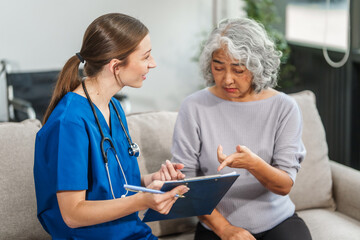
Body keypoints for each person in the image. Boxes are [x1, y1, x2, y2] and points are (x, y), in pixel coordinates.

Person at [33, 13, 189, 240]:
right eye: (146, 57)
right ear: (116, 65)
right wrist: (143, 200)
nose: (152, 63)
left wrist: (153, 183)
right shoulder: (69, 123)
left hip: (133, 233)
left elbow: (115, 185)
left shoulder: (114, 108)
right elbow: (72, 214)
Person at [171, 18, 312, 240]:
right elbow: (186, 184)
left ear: (257, 66)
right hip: (216, 225)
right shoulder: (194, 106)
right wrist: (225, 229)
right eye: (218, 67)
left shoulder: (284, 108)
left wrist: (253, 165)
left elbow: (284, 186)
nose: (227, 79)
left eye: (238, 70)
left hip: (277, 220)